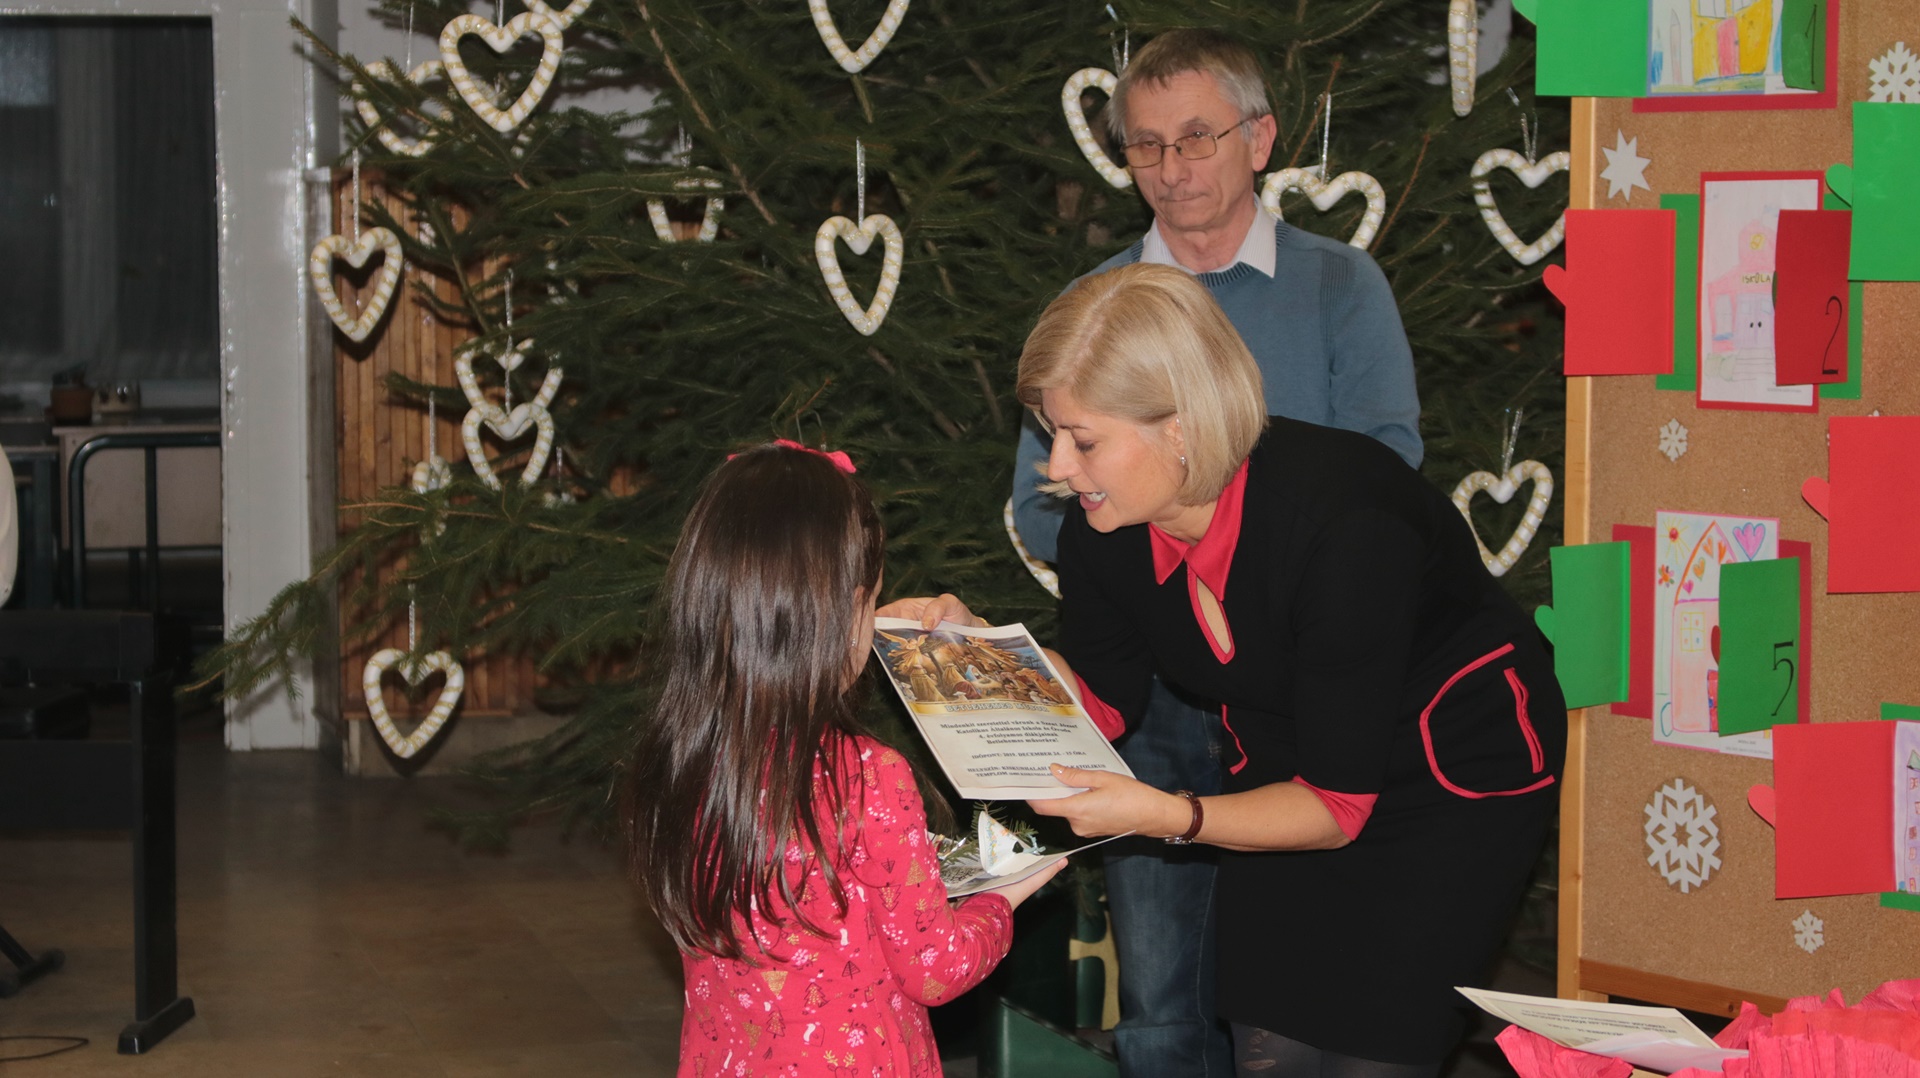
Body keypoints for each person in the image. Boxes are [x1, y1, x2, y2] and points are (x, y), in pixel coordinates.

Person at [954, 262, 1562, 1076]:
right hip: (1289, 763)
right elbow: (1101, 699)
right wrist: (975, 656)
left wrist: (1169, 815)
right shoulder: (1106, 528)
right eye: (1051, 432)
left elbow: (1337, 807)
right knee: (1271, 1038)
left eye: (1083, 439)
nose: (1057, 466)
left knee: (1375, 1048)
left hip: (1448, 774)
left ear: (1179, 428)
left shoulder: (1346, 523)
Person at [1008, 28, 1423, 1076]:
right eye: (1146, 145)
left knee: (1289, 979)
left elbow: (1385, 476)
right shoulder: (1095, 306)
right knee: (1159, 985)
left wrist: (1249, 560)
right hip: (1148, 677)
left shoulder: (1338, 286)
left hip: (1300, 685)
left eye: (1196, 137)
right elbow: (1043, 498)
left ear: (1260, 138)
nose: (1172, 167)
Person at [624, 441, 1065, 1076]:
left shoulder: (683, 756)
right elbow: (935, 969)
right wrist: (1000, 900)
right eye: (870, 602)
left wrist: (856, 626)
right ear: (847, 609)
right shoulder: (868, 775)